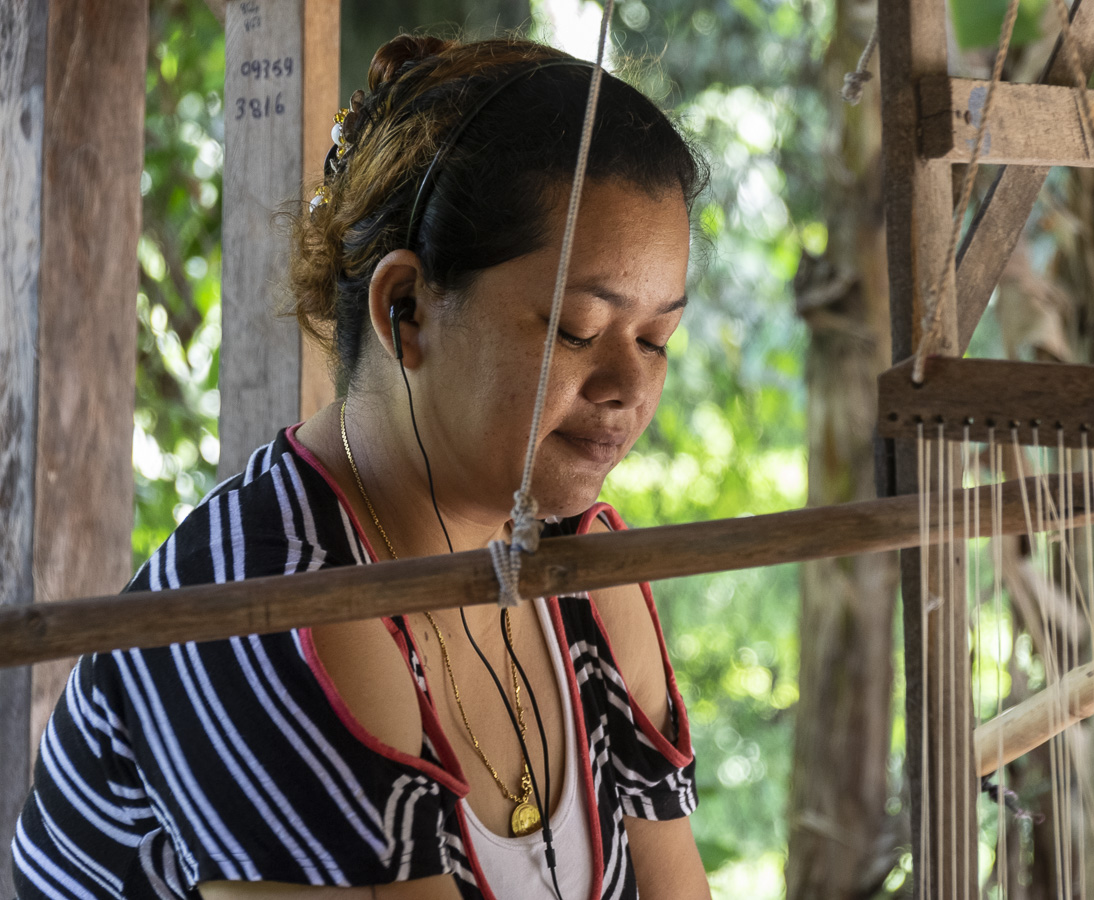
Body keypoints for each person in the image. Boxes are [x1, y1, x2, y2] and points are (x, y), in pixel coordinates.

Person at [12, 34, 710, 900]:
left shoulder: (584, 580)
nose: (628, 387)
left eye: (656, 339)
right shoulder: (281, 611)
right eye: (577, 328)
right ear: (406, 309)